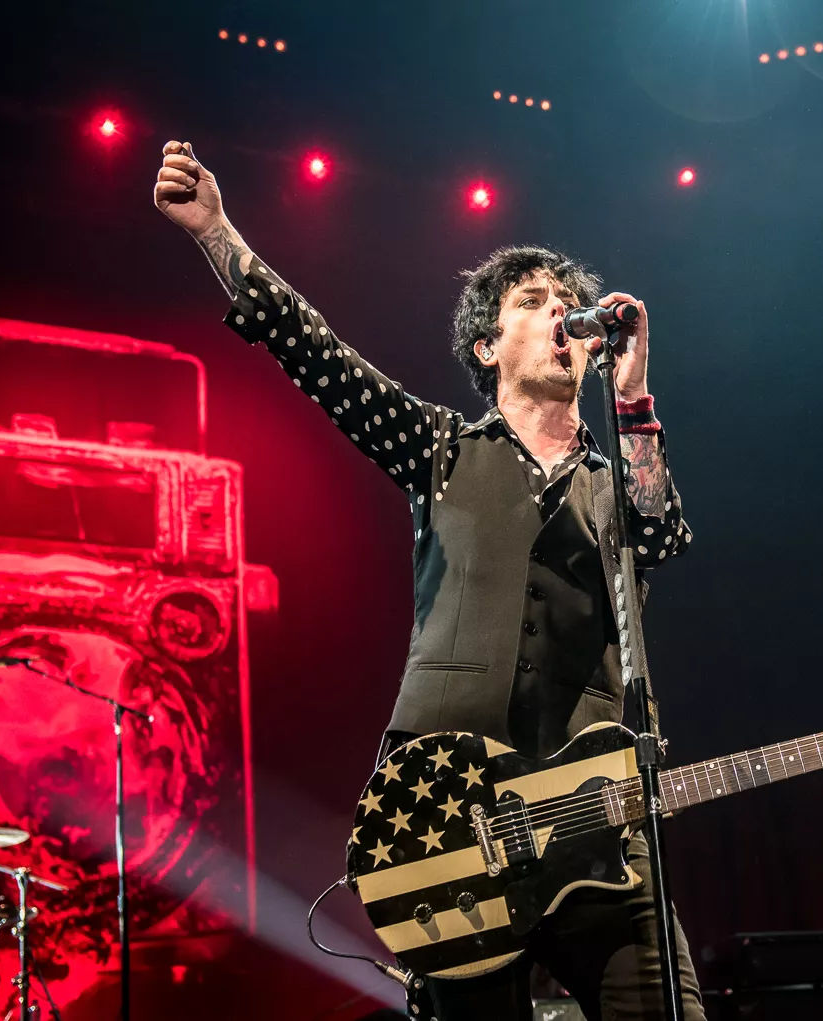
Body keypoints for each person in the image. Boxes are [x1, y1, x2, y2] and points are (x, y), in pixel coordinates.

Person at [153, 141, 705, 1020]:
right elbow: (317, 353)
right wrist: (217, 232)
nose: (561, 315)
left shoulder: (611, 481)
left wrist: (633, 394)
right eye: (534, 301)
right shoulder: (443, 450)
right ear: (487, 346)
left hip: (598, 820)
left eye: (566, 303)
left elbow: (663, 534)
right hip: (454, 816)